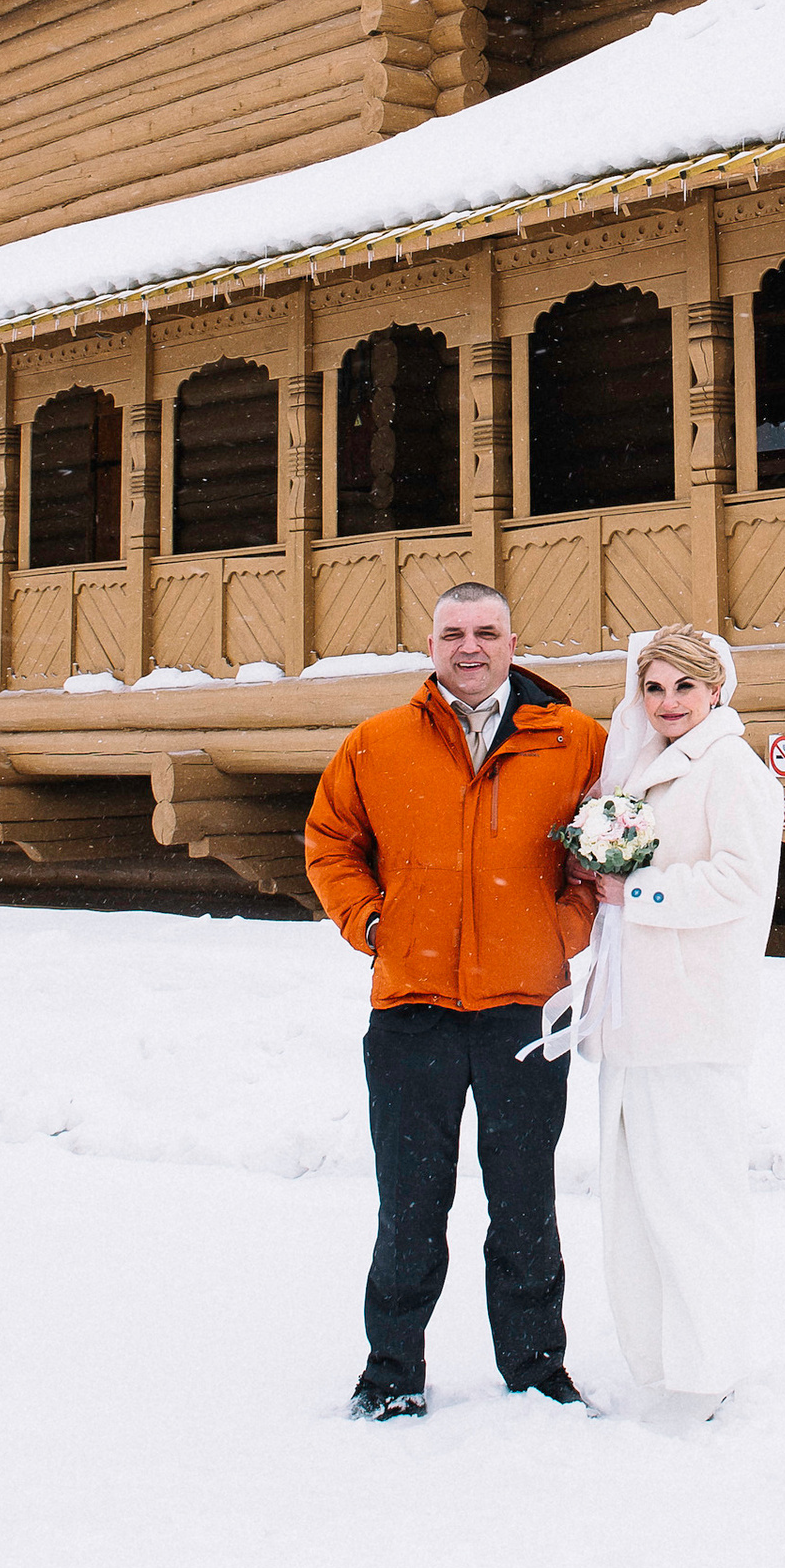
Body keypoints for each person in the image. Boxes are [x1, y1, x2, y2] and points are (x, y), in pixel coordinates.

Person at [303, 581, 606, 1421]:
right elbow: (330, 841)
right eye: (451, 633)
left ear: (513, 640)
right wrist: (369, 922)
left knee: (523, 1202)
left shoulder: (574, 739)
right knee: (408, 1204)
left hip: (524, 1006)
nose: (468, 647)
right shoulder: (378, 742)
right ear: (429, 645)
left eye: (486, 631)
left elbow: (604, 842)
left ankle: (537, 1368)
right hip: (413, 1007)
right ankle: (392, 1369)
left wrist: (563, 927)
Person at [572, 623, 782, 1420]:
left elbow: (740, 878)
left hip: (692, 1020)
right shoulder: (639, 765)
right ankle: (656, 1364)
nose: (667, 702)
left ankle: (704, 1370)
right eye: (654, 687)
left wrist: (643, 893)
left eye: (683, 688)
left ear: (716, 689)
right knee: (633, 1205)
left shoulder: (732, 768)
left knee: (694, 1200)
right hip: (634, 1023)